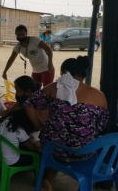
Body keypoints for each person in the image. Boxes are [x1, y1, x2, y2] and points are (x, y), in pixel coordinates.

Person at [25, 56, 108, 191]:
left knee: (44, 143)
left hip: (54, 148)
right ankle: (84, 184)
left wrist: (39, 125)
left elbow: (29, 104)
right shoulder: (99, 95)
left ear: (64, 73)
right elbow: (101, 126)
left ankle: (45, 178)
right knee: (91, 142)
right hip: (84, 152)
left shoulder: (53, 88)